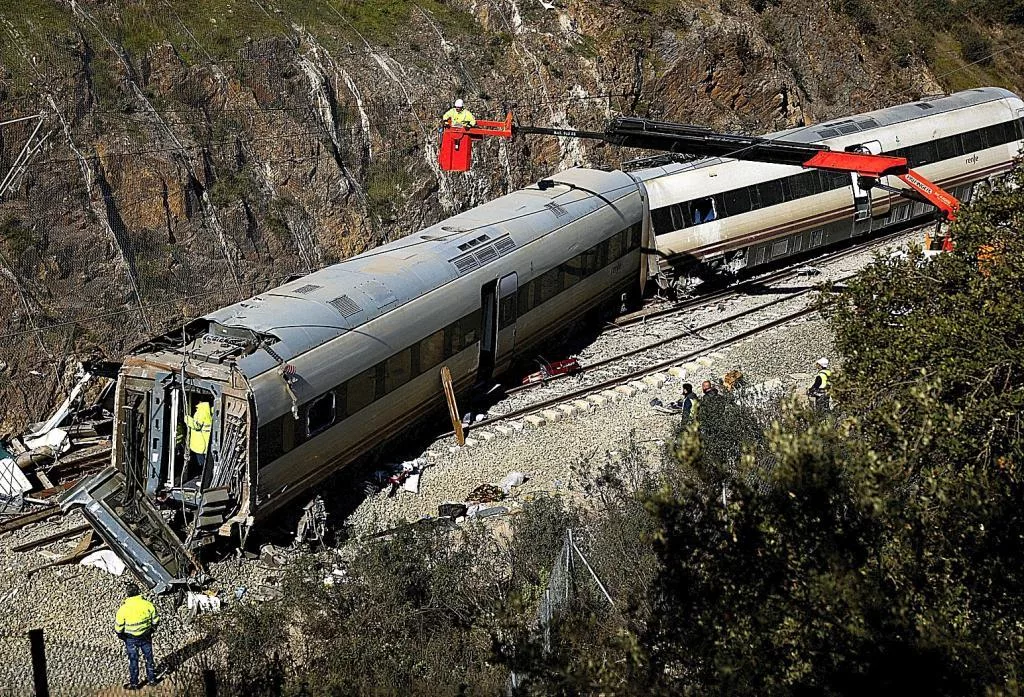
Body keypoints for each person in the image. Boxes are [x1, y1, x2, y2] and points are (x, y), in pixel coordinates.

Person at [115, 583, 160, 690]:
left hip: (130, 638)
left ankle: (134, 684)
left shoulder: (123, 609)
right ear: (138, 591)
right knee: (149, 658)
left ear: (127, 594)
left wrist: (122, 636)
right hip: (146, 636)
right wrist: (152, 630)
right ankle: (152, 680)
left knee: (133, 660)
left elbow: (118, 627)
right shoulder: (148, 605)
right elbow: (155, 620)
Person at [184, 401, 213, 472]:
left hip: (200, 443)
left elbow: (197, 426)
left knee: (201, 463)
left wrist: (187, 419)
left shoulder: (201, 411)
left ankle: (202, 474)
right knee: (206, 461)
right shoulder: (208, 410)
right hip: (206, 441)